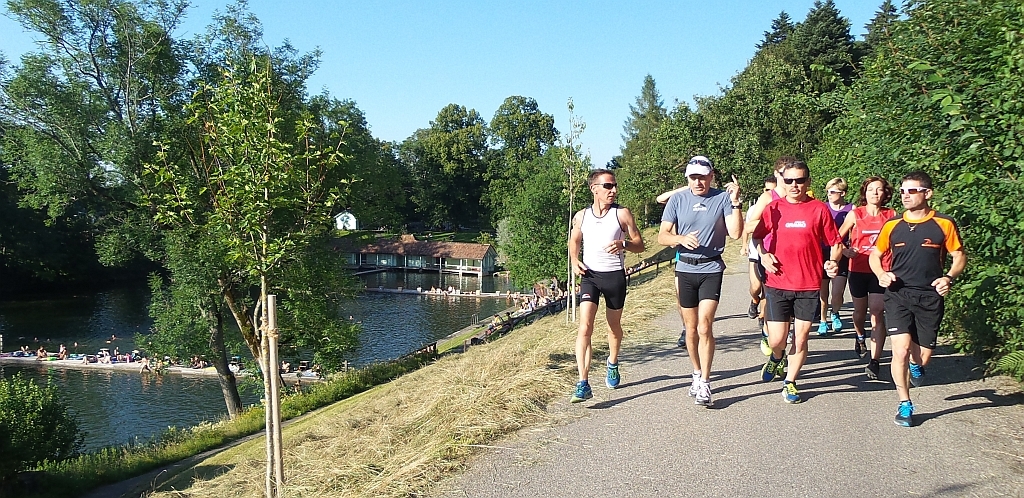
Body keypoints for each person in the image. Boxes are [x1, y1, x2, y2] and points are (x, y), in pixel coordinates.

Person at [870, 171, 966, 427]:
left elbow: (958, 256)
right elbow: (875, 255)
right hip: (898, 294)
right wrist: (881, 274)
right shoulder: (892, 225)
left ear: (928, 193)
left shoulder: (943, 223)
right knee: (899, 350)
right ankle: (905, 403)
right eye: (902, 191)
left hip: (929, 297)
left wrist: (948, 277)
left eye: (912, 191)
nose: (905, 195)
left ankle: (917, 365)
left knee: (921, 358)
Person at [752, 157, 842, 404]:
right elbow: (757, 237)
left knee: (801, 339)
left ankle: (790, 382)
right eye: (789, 180)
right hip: (778, 282)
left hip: (808, 285)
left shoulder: (819, 209)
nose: (794, 185)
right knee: (776, 340)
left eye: (799, 180)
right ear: (782, 181)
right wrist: (764, 255)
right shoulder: (774, 208)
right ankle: (777, 357)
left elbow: (835, 243)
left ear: (808, 181)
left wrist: (832, 262)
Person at [658, 156, 743, 407]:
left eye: (703, 177)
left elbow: (736, 233)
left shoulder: (722, 198)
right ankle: (695, 373)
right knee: (691, 328)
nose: (698, 182)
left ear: (711, 176)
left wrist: (736, 202)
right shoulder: (678, 200)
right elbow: (662, 236)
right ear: (687, 178)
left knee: (705, 326)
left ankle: (705, 381)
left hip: (711, 268)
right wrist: (680, 239)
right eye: (693, 177)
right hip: (685, 268)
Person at [567, 169, 645, 402]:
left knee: (613, 327)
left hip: (614, 277)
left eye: (614, 185)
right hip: (590, 276)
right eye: (608, 186)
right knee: (585, 327)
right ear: (594, 189)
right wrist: (574, 261)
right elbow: (574, 240)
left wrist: (624, 244)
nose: (613, 190)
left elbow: (640, 245)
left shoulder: (622, 214)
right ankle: (583, 383)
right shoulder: (582, 216)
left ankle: (612, 361)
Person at [837, 176, 896, 376]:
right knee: (859, 313)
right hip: (858, 269)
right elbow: (837, 237)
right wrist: (845, 251)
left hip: (882, 270)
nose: (875, 193)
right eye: (871, 189)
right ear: (865, 192)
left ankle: (874, 360)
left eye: (879, 189)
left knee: (877, 312)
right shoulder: (856, 214)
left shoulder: (891, 215)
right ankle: (860, 335)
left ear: (885, 193)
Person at [744, 161, 793, 355]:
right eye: (783, 174)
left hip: (794, 258)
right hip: (769, 256)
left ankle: (780, 339)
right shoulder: (768, 197)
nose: (787, 179)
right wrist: (773, 223)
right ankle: (768, 332)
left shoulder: (801, 196)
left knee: (791, 301)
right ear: (776, 174)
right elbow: (749, 226)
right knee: (770, 296)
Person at [817, 178, 853, 336]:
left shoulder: (851, 210)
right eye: (828, 191)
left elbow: (855, 233)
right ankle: (823, 320)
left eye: (833, 192)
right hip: (823, 253)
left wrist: (848, 249)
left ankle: (835, 313)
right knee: (823, 292)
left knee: (837, 292)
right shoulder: (822, 208)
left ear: (843, 193)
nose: (829, 194)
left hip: (842, 256)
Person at [741, 176, 778, 323]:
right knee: (756, 286)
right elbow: (747, 227)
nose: (769, 192)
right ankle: (754, 299)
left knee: (767, 287)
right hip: (756, 250)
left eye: (772, 190)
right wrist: (744, 245)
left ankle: (763, 316)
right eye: (767, 189)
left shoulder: (782, 206)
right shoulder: (754, 208)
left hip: (771, 252)